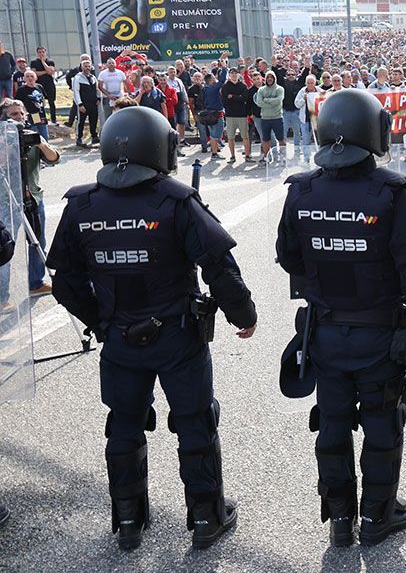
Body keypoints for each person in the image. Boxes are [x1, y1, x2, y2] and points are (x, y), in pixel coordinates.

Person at [45, 107, 257, 551]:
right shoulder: (176, 200)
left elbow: (63, 280)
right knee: (196, 422)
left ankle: (127, 520)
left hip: (120, 338)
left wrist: (101, 321)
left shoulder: (81, 204)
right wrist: (244, 315)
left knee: (123, 424)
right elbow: (219, 267)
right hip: (177, 336)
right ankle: (205, 517)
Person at [275, 88, 406, 547]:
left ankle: (340, 520)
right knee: (381, 423)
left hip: (325, 332)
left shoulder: (301, 190)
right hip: (380, 333)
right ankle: (377, 517)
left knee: (331, 424)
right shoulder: (390, 191)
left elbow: (287, 256)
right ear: (376, 131)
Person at [0, 99, 58, 297]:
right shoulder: (1, 139)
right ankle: (2, 295)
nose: (19, 118)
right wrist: (6, 151)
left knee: (37, 241)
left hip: (33, 197)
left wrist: (41, 144)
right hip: (7, 200)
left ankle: (36, 282)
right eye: (14, 114)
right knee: (6, 246)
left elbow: (54, 158)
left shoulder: (31, 136)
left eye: (21, 113)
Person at [253, 70, 286, 163]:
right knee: (265, 140)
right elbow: (259, 103)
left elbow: (278, 101)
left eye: (271, 77)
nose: (269, 79)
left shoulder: (280, 89)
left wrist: (266, 100)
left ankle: (283, 156)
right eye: (268, 77)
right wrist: (271, 102)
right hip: (265, 118)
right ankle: (267, 157)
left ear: (274, 78)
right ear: (265, 79)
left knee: (281, 139)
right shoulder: (261, 90)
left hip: (277, 117)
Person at [221, 66, 253, 163]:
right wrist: (238, 97)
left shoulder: (243, 86)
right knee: (231, 138)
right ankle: (232, 156)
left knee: (245, 137)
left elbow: (244, 99)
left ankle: (247, 156)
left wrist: (232, 96)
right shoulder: (225, 86)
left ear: (238, 74)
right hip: (230, 115)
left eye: (236, 73)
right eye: (232, 73)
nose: (234, 75)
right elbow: (225, 100)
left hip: (242, 115)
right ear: (229, 75)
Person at [72, 58, 100, 147]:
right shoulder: (77, 78)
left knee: (94, 120)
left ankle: (94, 137)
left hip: (93, 104)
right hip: (83, 104)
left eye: (89, 66)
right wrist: (80, 104)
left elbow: (97, 89)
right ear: (81, 67)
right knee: (81, 122)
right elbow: (76, 92)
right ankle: (79, 139)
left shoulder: (93, 77)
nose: (87, 68)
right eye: (85, 66)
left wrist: (98, 98)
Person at [15, 70, 49, 141]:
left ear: (35, 78)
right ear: (24, 79)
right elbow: (19, 104)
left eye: (32, 76)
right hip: (30, 116)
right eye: (27, 76)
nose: (30, 78)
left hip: (41, 115)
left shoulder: (39, 87)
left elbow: (44, 98)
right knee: (32, 138)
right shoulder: (21, 90)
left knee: (44, 137)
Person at [97, 57, 129, 127]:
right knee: (108, 117)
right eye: (109, 63)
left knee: (121, 116)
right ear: (107, 65)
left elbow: (126, 84)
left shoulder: (120, 73)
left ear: (115, 64)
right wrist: (108, 95)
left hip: (119, 97)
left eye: (112, 63)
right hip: (107, 98)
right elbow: (100, 86)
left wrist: (128, 94)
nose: (111, 64)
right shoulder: (102, 74)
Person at [30, 47, 57, 124]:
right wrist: (46, 71)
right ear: (37, 53)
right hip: (38, 85)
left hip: (49, 84)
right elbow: (34, 74)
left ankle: (53, 120)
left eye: (43, 52)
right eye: (39, 52)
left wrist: (43, 62)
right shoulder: (34, 62)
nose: (41, 53)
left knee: (51, 102)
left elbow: (51, 71)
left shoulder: (50, 61)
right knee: (37, 102)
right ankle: (38, 120)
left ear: (45, 52)